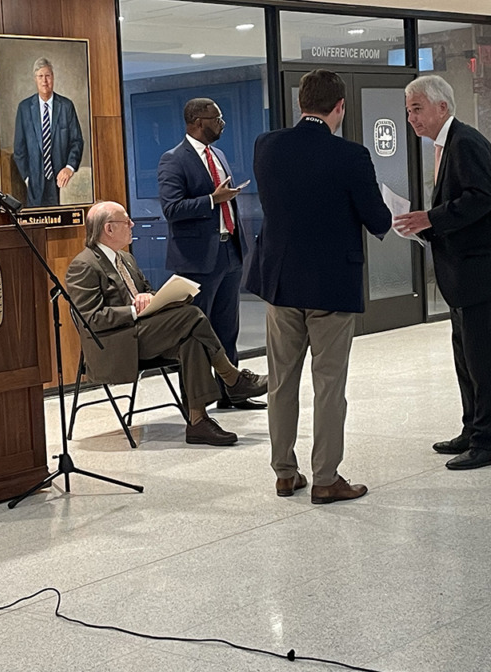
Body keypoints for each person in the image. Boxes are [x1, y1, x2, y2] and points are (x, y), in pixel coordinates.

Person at [245, 70, 392, 503]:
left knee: (280, 382)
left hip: (281, 282)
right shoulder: (351, 155)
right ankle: (326, 478)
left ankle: (284, 473)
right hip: (331, 284)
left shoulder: (266, 146)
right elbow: (377, 219)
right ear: (340, 107)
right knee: (329, 383)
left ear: (300, 103)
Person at [394, 75, 491, 471]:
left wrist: (430, 218)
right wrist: (429, 225)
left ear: (442, 107)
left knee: (484, 360)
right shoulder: (447, 144)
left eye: (417, 109)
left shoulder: (466, 143)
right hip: (465, 273)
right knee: (466, 356)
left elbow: (480, 199)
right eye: (408, 111)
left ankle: (489, 442)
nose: (411, 118)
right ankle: (472, 429)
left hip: (484, 271)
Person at [65, 201, 268, 447]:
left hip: (142, 334)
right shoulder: (84, 265)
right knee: (191, 316)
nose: (132, 224)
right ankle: (232, 378)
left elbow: (148, 291)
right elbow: (92, 319)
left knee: (191, 341)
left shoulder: (126, 258)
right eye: (126, 221)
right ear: (109, 228)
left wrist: (149, 297)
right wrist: (133, 309)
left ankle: (198, 422)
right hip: (115, 343)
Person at [157, 98, 263, 411]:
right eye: (217, 118)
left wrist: (223, 199)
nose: (222, 123)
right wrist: (212, 200)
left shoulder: (218, 154)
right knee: (196, 334)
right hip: (195, 261)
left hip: (228, 251)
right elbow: (171, 208)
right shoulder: (173, 160)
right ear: (198, 121)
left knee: (227, 328)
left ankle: (232, 393)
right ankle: (197, 405)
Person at [12, 57, 84, 208]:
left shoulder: (66, 106)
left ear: (53, 77)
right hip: (34, 183)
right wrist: (27, 177)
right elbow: (19, 149)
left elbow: (76, 141)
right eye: (40, 76)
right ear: (35, 79)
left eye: (48, 76)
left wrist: (69, 168)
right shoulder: (24, 108)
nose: (45, 81)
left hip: (62, 182)